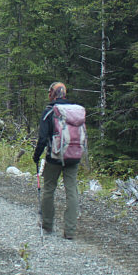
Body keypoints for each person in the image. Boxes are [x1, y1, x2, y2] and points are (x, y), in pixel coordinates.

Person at [32, 81, 83, 240]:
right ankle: (70, 231)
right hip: (73, 157)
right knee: (72, 191)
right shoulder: (75, 111)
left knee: (48, 189)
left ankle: (47, 224)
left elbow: (42, 139)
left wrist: (36, 156)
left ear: (51, 94)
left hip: (54, 157)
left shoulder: (49, 111)